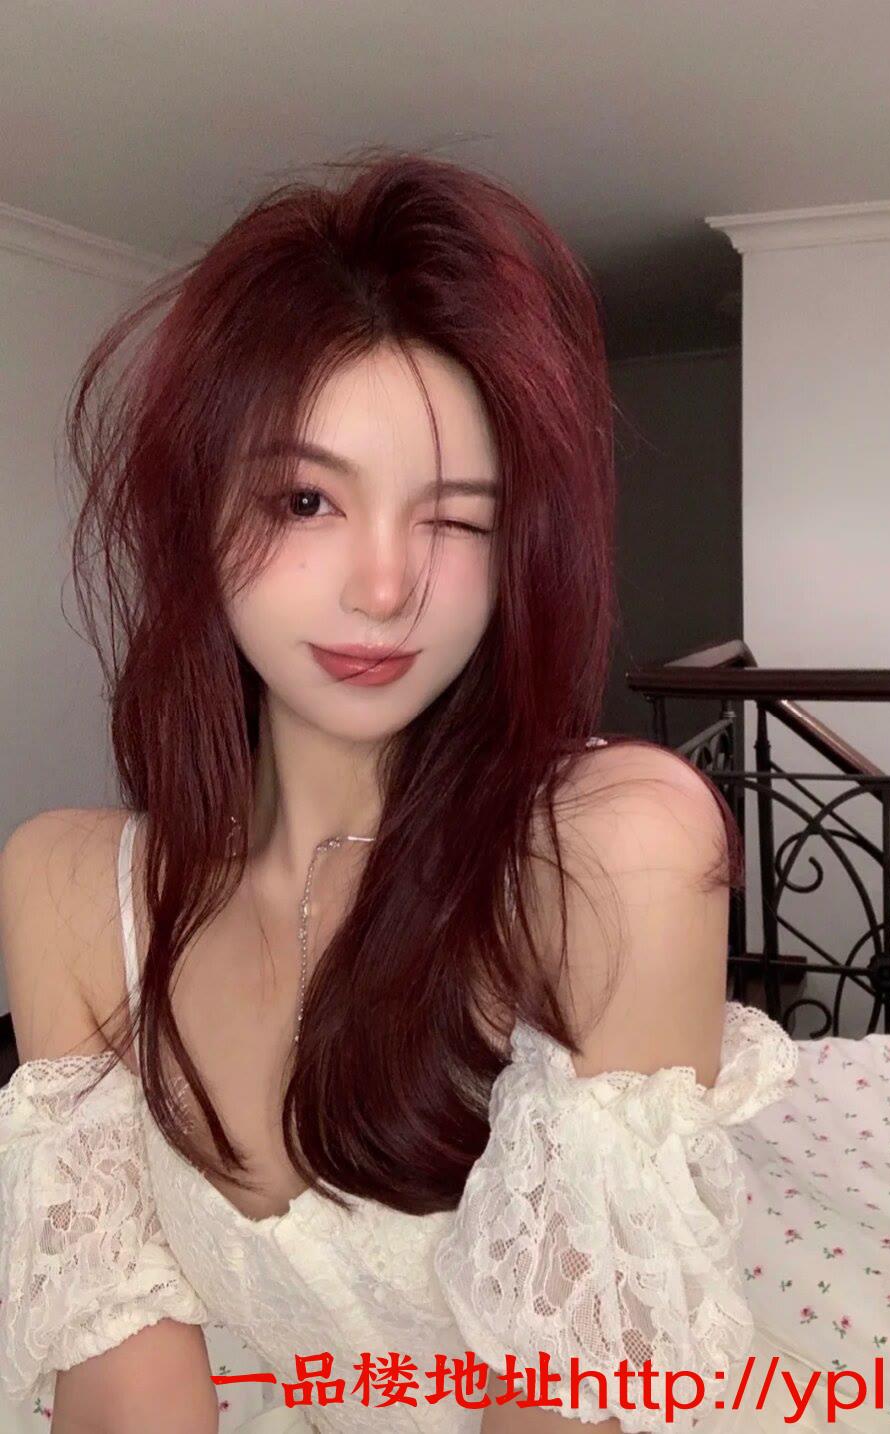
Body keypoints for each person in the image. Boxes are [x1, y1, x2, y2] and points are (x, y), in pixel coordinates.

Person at [0, 147, 799, 1433]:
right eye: (306, 498)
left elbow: (577, 1400)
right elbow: (124, 1387)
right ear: (194, 518)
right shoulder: (68, 891)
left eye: (455, 517)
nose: (385, 588)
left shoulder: (613, 854)